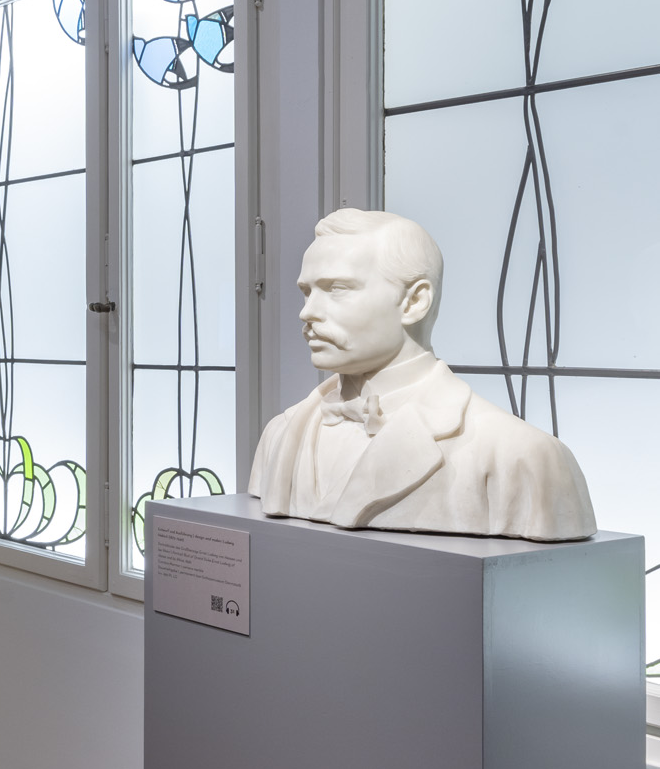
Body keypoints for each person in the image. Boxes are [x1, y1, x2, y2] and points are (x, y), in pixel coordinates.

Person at [248, 208, 595, 539]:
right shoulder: (279, 435)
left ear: (414, 302)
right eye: (306, 292)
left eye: (337, 289)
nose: (307, 312)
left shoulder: (525, 458)